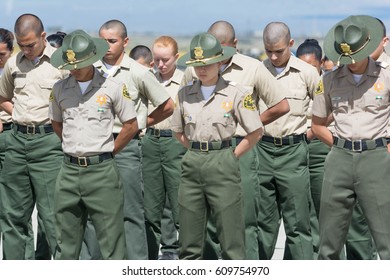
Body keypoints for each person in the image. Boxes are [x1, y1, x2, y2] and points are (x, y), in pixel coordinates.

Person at [182, 20, 289, 260]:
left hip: (239, 149)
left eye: (221, 48)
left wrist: (246, 122)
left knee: (243, 218)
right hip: (203, 153)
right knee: (204, 220)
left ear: (234, 45)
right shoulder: (193, 70)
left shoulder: (252, 68)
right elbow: (183, 104)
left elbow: (281, 105)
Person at [80, 19, 173, 260]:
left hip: (126, 148)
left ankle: (136, 266)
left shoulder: (138, 72)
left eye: (112, 41)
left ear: (125, 42)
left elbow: (167, 105)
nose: (107, 46)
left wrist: (142, 123)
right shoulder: (90, 70)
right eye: (103, 41)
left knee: (131, 212)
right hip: (94, 147)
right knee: (94, 211)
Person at [172, 32, 263, 260]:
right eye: (197, 65)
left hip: (223, 160)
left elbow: (256, 131)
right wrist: (195, 149)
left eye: (208, 64)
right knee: (189, 240)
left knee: (231, 239)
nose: (202, 70)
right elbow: (177, 131)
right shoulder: (184, 94)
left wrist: (232, 156)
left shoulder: (236, 93)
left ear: (219, 62)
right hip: (193, 163)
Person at [49, 29, 138, 259]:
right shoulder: (59, 89)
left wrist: (108, 152)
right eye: (71, 65)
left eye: (79, 63)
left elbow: (130, 125)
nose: (75, 69)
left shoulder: (112, 87)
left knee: (112, 244)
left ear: (91, 58)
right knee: (65, 245)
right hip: (68, 172)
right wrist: (74, 147)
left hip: (102, 173)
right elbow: (57, 123)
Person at [312, 14, 390, 260]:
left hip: (377, 157)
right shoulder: (329, 80)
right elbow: (317, 123)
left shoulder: (386, 76)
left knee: (385, 236)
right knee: (329, 239)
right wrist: (338, 146)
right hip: (340, 159)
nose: (351, 62)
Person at [0, 14, 68, 260]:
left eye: (31, 45)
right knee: (12, 216)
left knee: (53, 217)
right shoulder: (13, 64)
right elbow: (4, 97)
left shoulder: (61, 65)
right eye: (21, 45)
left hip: (49, 144)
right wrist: (17, 112)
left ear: (42, 36)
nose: (26, 50)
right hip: (16, 143)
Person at [257, 22, 320, 260]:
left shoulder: (307, 73)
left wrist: (311, 131)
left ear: (291, 44)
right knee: (263, 223)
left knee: (298, 223)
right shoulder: (257, 71)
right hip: (262, 150)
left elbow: (326, 109)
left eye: (279, 51)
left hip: (294, 152)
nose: (273, 56)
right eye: (268, 50)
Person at [142, 35, 185, 260]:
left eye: (166, 60)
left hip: (176, 142)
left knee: (180, 204)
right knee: (151, 205)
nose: (161, 65)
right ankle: (148, 257)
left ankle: (186, 256)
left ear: (176, 57)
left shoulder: (187, 80)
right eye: (157, 59)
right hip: (150, 141)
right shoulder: (147, 79)